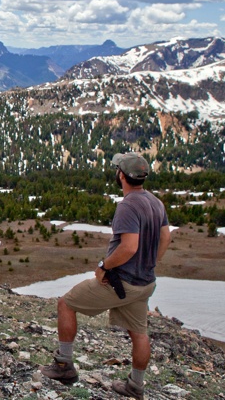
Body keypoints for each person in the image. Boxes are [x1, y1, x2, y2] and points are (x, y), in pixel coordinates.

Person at [39, 152, 171, 399]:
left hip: (122, 283)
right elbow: (165, 238)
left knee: (66, 304)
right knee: (139, 332)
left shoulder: (127, 206)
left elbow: (129, 247)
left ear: (121, 175)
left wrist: (104, 266)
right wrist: (151, 263)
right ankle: (135, 386)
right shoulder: (155, 202)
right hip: (145, 282)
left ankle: (64, 365)